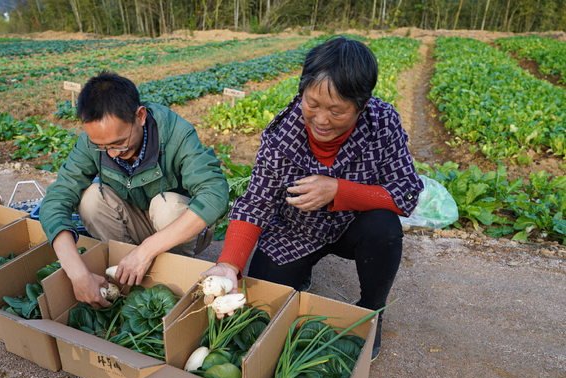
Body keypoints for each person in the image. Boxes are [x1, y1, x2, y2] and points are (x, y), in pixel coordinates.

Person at [203, 37, 424, 361]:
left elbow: (406, 193)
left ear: (361, 106)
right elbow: (255, 203)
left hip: (354, 225)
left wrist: (338, 190)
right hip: (295, 230)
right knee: (265, 308)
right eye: (313, 104)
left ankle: (371, 312)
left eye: (337, 111)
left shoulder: (383, 122)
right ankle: (299, 271)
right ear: (302, 91)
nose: (321, 120)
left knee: (384, 228)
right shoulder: (282, 136)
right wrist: (228, 264)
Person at [40, 71, 229, 309]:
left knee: (166, 205)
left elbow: (215, 194)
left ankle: (173, 274)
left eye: (119, 142)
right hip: (135, 224)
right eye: (102, 146)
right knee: (90, 199)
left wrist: (147, 250)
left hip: (178, 229)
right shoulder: (94, 143)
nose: (112, 153)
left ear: (139, 116)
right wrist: (77, 273)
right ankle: (127, 274)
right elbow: (56, 199)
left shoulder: (176, 134)